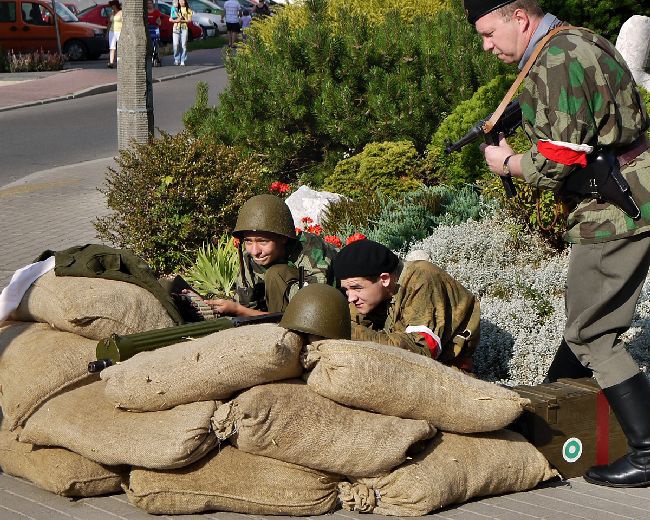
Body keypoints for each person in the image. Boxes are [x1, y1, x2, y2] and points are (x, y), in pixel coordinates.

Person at [464, 0, 650, 487]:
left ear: (519, 18)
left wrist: (505, 163)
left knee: (591, 334)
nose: (486, 46)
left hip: (614, 210)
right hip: (630, 192)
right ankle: (554, 408)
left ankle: (648, 453)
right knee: (582, 321)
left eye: (489, 33)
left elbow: (556, 162)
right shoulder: (580, 39)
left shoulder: (553, 60)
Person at [332, 239, 480, 371]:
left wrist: (345, 331)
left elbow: (422, 351)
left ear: (384, 279)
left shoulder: (422, 280)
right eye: (346, 290)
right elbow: (352, 322)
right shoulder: (370, 296)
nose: (351, 298)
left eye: (357, 288)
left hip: (446, 371)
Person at [205, 194, 338, 317]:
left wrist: (239, 310)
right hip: (294, 316)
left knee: (276, 273)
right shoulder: (251, 258)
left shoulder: (309, 250)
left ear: (283, 238)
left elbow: (314, 311)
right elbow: (245, 303)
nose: (255, 251)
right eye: (248, 241)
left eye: (263, 241)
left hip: (333, 313)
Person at [170, 0, 192, 66]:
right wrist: (176, 20)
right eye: (180, 1)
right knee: (176, 44)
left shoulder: (188, 9)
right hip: (175, 28)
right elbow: (170, 19)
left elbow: (189, 20)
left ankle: (182, 60)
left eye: (183, 1)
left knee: (183, 45)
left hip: (184, 28)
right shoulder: (175, 8)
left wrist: (181, 20)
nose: (182, 2)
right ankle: (176, 59)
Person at [107, 0, 122, 68]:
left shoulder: (121, 13)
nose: (112, 7)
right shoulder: (112, 13)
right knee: (112, 47)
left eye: (112, 6)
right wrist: (107, 32)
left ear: (115, 5)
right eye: (111, 6)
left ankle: (119, 62)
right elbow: (109, 23)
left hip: (119, 31)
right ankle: (111, 62)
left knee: (120, 47)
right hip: (112, 31)